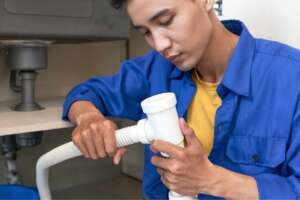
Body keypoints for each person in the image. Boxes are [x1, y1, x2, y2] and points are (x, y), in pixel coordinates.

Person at [62, 0, 300, 199]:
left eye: (165, 21)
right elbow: (88, 92)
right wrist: (88, 117)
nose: (160, 45)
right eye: (146, 32)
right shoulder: (155, 69)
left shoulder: (291, 77)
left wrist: (212, 180)